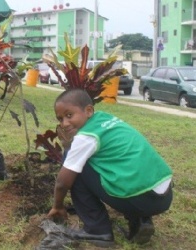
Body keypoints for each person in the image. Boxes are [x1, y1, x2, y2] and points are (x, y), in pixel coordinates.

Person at [47, 89, 173, 247]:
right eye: (60, 119)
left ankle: (97, 230)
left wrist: (57, 206)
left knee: (73, 165)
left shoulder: (86, 137)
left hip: (142, 199)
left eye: (69, 115)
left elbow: (62, 183)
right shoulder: (106, 120)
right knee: (117, 166)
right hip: (164, 195)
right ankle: (140, 219)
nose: (64, 124)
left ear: (88, 110)